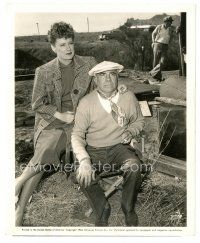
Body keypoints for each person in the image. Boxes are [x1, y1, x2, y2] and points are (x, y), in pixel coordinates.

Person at [15, 22, 97, 226]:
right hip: (53, 121)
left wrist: (118, 91)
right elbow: (37, 104)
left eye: (70, 43)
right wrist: (60, 114)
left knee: (47, 150)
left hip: (79, 121)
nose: (68, 48)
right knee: (50, 143)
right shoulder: (44, 71)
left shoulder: (89, 63)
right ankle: (19, 210)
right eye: (62, 45)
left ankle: (17, 187)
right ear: (53, 47)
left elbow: (99, 90)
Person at [71, 61, 145, 226]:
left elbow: (139, 121)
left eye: (112, 74)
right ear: (95, 80)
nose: (107, 79)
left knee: (134, 166)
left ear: (118, 77)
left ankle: (128, 207)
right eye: (102, 75)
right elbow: (77, 135)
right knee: (82, 174)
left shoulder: (128, 97)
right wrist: (84, 160)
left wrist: (131, 131)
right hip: (93, 150)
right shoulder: (86, 102)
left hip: (119, 148)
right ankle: (102, 208)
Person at [149, 16, 174, 82]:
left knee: (163, 61)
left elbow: (171, 36)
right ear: (166, 22)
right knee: (156, 61)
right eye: (170, 22)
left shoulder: (170, 29)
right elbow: (153, 34)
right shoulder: (159, 27)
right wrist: (153, 42)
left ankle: (152, 72)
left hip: (165, 45)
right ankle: (157, 77)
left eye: (171, 22)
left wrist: (169, 43)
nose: (171, 23)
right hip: (157, 44)